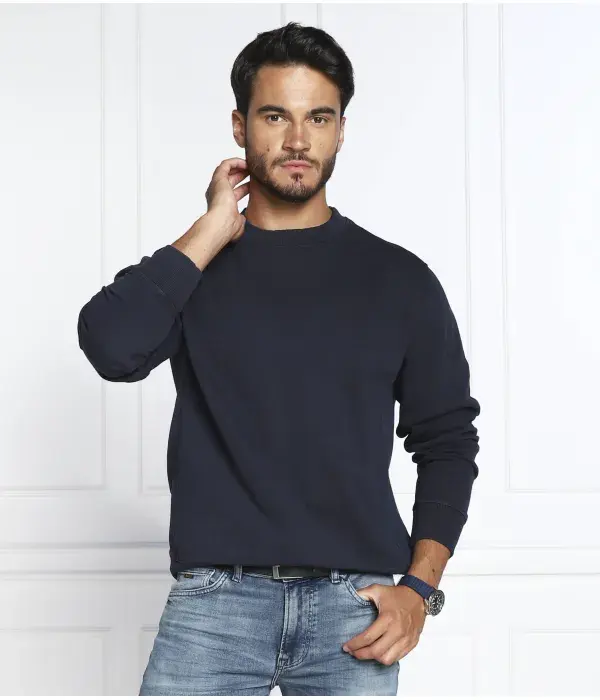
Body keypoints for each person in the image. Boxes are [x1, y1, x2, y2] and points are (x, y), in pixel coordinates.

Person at [77, 21, 481, 696]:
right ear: (240, 127)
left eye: (318, 117)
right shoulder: (195, 271)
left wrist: (419, 590)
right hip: (214, 606)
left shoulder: (399, 280)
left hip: (354, 610)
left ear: (341, 130)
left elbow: (447, 441)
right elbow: (111, 347)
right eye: (275, 116)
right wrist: (209, 231)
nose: (298, 140)